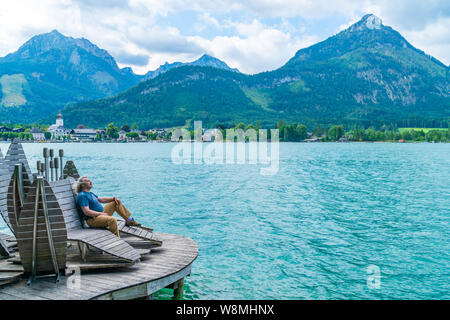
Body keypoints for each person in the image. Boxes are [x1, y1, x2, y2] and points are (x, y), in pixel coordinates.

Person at [74, 176, 141, 237]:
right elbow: (87, 212)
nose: (90, 181)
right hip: (92, 220)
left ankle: (129, 220)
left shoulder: (89, 193)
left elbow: (101, 199)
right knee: (112, 220)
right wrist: (101, 214)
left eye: (89, 180)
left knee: (115, 203)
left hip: (100, 215)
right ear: (82, 185)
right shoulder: (82, 196)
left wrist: (113, 198)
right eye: (87, 181)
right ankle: (117, 240)